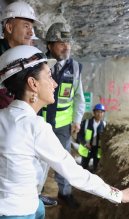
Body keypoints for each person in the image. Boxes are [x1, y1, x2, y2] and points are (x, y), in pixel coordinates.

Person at [0, 45, 129, 219]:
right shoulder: (35, 127)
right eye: (49, 77)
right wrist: (118, 195)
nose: (55, 84)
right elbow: (74, 173)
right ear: (33, 84)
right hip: (16, 217)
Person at [0, 2, 56, 207]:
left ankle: (34, 196)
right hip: (2, 135)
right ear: (9, 27)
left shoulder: (32, 57)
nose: (30, 32)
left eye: (31, 27)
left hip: (26, 128)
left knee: (35, 170)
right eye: (26, 25)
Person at [42, 22, 85, 208]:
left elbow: (79, 97)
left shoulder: (75, 68)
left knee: (63, 161)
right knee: (38, 160)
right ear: (50, 46)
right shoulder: (39, 64)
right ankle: (37, 193)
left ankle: (65, 193)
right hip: (40, 123)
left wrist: (77, 120)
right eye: (61, 44)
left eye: (68, 44)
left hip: (62, 126)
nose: (66, 47)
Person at [77, 104, 106, 173]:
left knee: (96, 170)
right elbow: (80, 135)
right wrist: (84, 143)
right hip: (86, 149)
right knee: (83, 169)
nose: (100, 114)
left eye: (102, 112)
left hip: (97, 150)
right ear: (94, 112)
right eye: (98, 112)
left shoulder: (104, 125)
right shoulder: (86, 122)